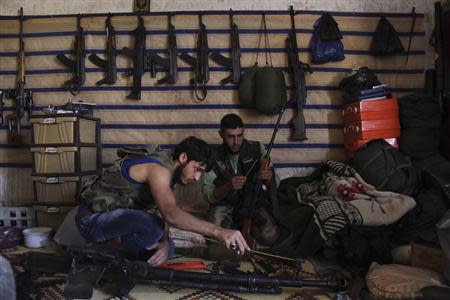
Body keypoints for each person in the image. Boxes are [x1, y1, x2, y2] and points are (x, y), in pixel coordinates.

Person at [76, 136, 249, 266]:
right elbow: (170, 213)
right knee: (152, 228)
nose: (197, 177)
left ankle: (118, 254)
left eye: (201, 173)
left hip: (120, 222)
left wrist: (165, 243)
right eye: (196, 169)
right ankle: (101, 251)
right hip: (92, 221)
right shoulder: (158, 169)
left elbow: (160, 215)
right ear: (183, 158)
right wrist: (218, 231)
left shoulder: (169, 176)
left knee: (167, 247)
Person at [202, 113, 280, 245]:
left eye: (239, 135)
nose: (236, 141)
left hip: (252, 205)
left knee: (271, 236)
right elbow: (207, 194)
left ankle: (244, 232)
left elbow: (276, 182)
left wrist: (269, 178)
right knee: (213, 240)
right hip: (225, 205)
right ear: (221, 134)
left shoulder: (258, 149)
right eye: (231, 137)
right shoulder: (213, 157)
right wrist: (228, 187)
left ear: (244, 132)